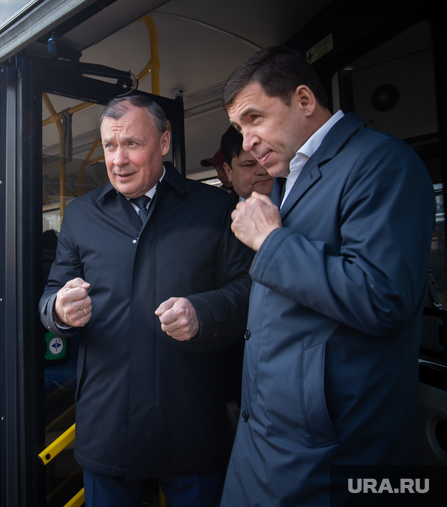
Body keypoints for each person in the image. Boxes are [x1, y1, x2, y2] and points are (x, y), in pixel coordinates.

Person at [220, 47, 435, 505]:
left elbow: (383, 298)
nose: (248, 140)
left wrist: (270, 242)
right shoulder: (287, 178)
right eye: (241, 129)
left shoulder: (380, 163)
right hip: (266, 435)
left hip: (332, 448)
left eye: (255, 118)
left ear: (303, 99)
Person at [39, 94, 252, 506]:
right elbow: (51, 295)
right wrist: (59, 311)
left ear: (165, 142)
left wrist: (202, 312)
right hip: (108, 427)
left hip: (191, 424)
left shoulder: (215, 208)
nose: (118, 160)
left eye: (132, 144)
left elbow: (250, 289)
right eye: (109, 146)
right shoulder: (81, 215)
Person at [219, 125, 273, 201]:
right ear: (228, 171)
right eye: (249, 165)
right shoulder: (221, 210)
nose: (263, 171)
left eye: (267, 160)